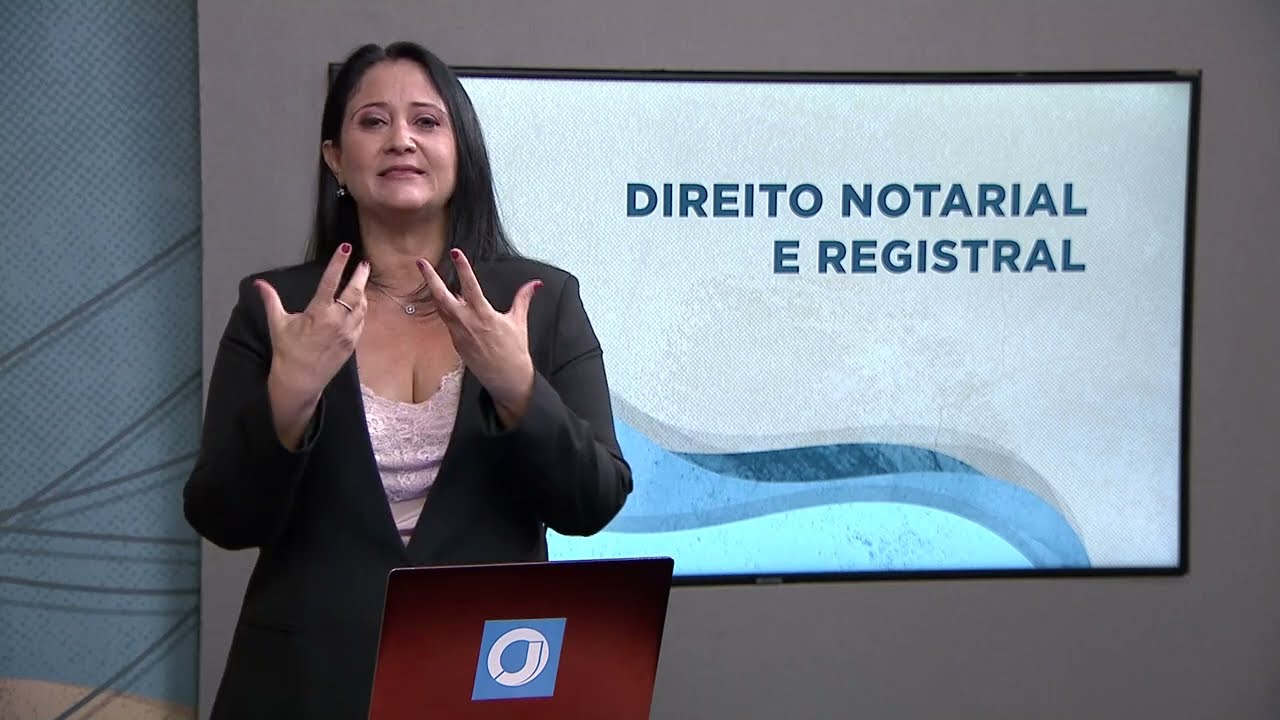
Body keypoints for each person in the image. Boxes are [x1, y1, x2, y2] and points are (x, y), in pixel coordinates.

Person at [183, 40, 632, 719]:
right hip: (305, 685)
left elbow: (593, 503)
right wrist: (288, 399)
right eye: (373, 121)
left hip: (489, 680)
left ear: (461, 150)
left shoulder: (540, 303)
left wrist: (518, 389)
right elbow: (222, 517)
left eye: (427, 121)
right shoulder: (278, 308)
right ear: (335, 157)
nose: (401, 139)